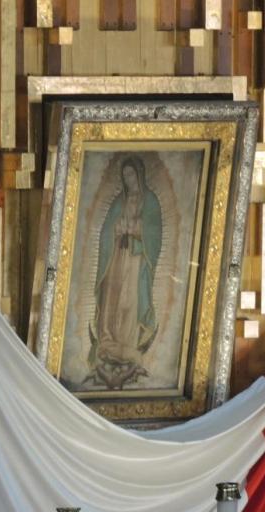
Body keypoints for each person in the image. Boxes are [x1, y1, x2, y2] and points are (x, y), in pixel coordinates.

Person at [87, 156, 163, 389]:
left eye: (131, 174)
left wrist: (137, 229)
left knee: (130, 299)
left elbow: (154, 231)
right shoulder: (118, 202)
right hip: (116, 258)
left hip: (136, 259)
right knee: (112, 298)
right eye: (125, 175)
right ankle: (108, 341)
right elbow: (106, 231)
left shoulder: (150, 201)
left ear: (139, 174)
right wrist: (116, 229)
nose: (128, 179)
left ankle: (128, 345)